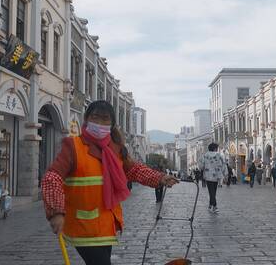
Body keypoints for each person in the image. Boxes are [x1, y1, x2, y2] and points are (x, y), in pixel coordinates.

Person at [41, 101, 178, 265]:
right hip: (84, 226)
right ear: (86, 119)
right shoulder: (73, 146)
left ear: (111, 124)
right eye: (95, 117)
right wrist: (56, 211)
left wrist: (160, 178)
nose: (99, 123)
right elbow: (52, 177)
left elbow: (134, 170)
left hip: (107, 224)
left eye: (104, 118)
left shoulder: (116, 148)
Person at [199, 143, 227, 213]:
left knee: (211, 191)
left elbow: (201, 166)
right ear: (215, 148)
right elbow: (224, 165)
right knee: (214, 191)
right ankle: (214, 205)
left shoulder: (205, 156)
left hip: (208, 176)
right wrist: (225, 174)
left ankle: (211, 205)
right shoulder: (219, 155)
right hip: (217, 176)